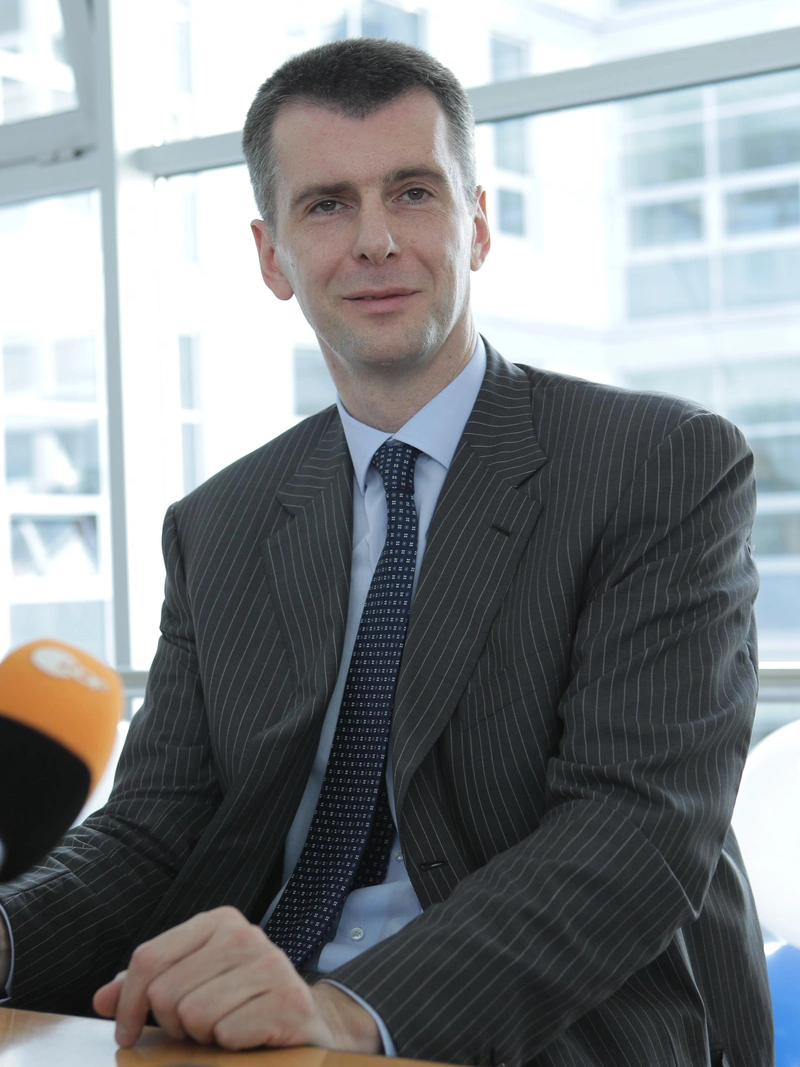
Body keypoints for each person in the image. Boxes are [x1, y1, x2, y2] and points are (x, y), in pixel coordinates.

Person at [0, 37, 773, 1067]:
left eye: (412, 193)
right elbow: (152, 830)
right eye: (326, 205)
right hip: (256, 1025)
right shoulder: (217, 523)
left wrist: (349, 1010)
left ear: (476, 224)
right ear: (272, 255)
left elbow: (637, 825)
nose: (374, 240)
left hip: (551, 1030)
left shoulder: (658, 464)